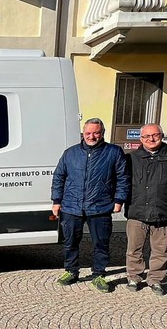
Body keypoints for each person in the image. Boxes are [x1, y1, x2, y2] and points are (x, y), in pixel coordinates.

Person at [51, 118, 129, 293]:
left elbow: (123, 178)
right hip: (71, 206)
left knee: (101, 242)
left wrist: (119, 200)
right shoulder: (70, 153)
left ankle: (99, 274)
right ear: (83, 133)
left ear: (102, 133)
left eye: (96, 133)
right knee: (70, 241)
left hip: (100, 206)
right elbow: (59, 177)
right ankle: (71, 271)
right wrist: (56, 201)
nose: (92, 136)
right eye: (88, 133)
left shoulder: (114, 152)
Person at [124, 123, 167, 296]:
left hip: (164, 211)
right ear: (141, 139)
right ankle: (134, 276)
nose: (151, 139)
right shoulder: (131, 158)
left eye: (154, 135)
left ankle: (155, 279)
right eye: (146, 136)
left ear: (161, 136)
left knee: (160, 251)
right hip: (137, 211)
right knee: (134, 249)